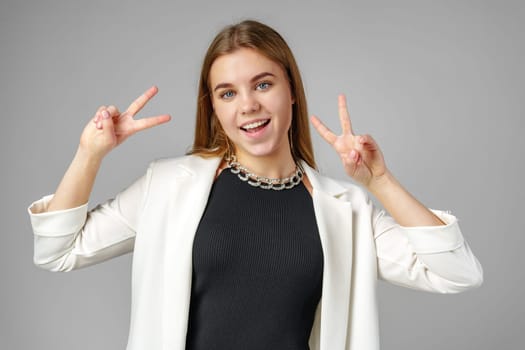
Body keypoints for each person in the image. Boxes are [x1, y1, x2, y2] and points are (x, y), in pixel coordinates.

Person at [27, 20, 483, 350]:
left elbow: (456, 272)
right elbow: (57, 251)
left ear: (291, 91)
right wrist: (90, 154)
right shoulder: (168, 186)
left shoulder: (344, 208)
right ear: (216, 110)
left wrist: (379, 181)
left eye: (262, 84)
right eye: (227, 93)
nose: (247, 105)